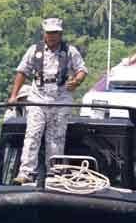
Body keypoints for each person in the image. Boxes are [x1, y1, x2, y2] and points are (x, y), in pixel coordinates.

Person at [8, 18, 88, 184]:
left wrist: (76, 81)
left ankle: (54, 172)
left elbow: (81, 70)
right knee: (32, 134)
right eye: (49, 33)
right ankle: (26, 172)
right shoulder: (34, 51)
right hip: (38, 97)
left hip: (61, 98)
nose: (52, 36)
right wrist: (13, 95)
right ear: (44, 33)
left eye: (55, 33)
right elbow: (22, 72)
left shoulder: (70, 51)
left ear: (60, 34)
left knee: (56, 137)